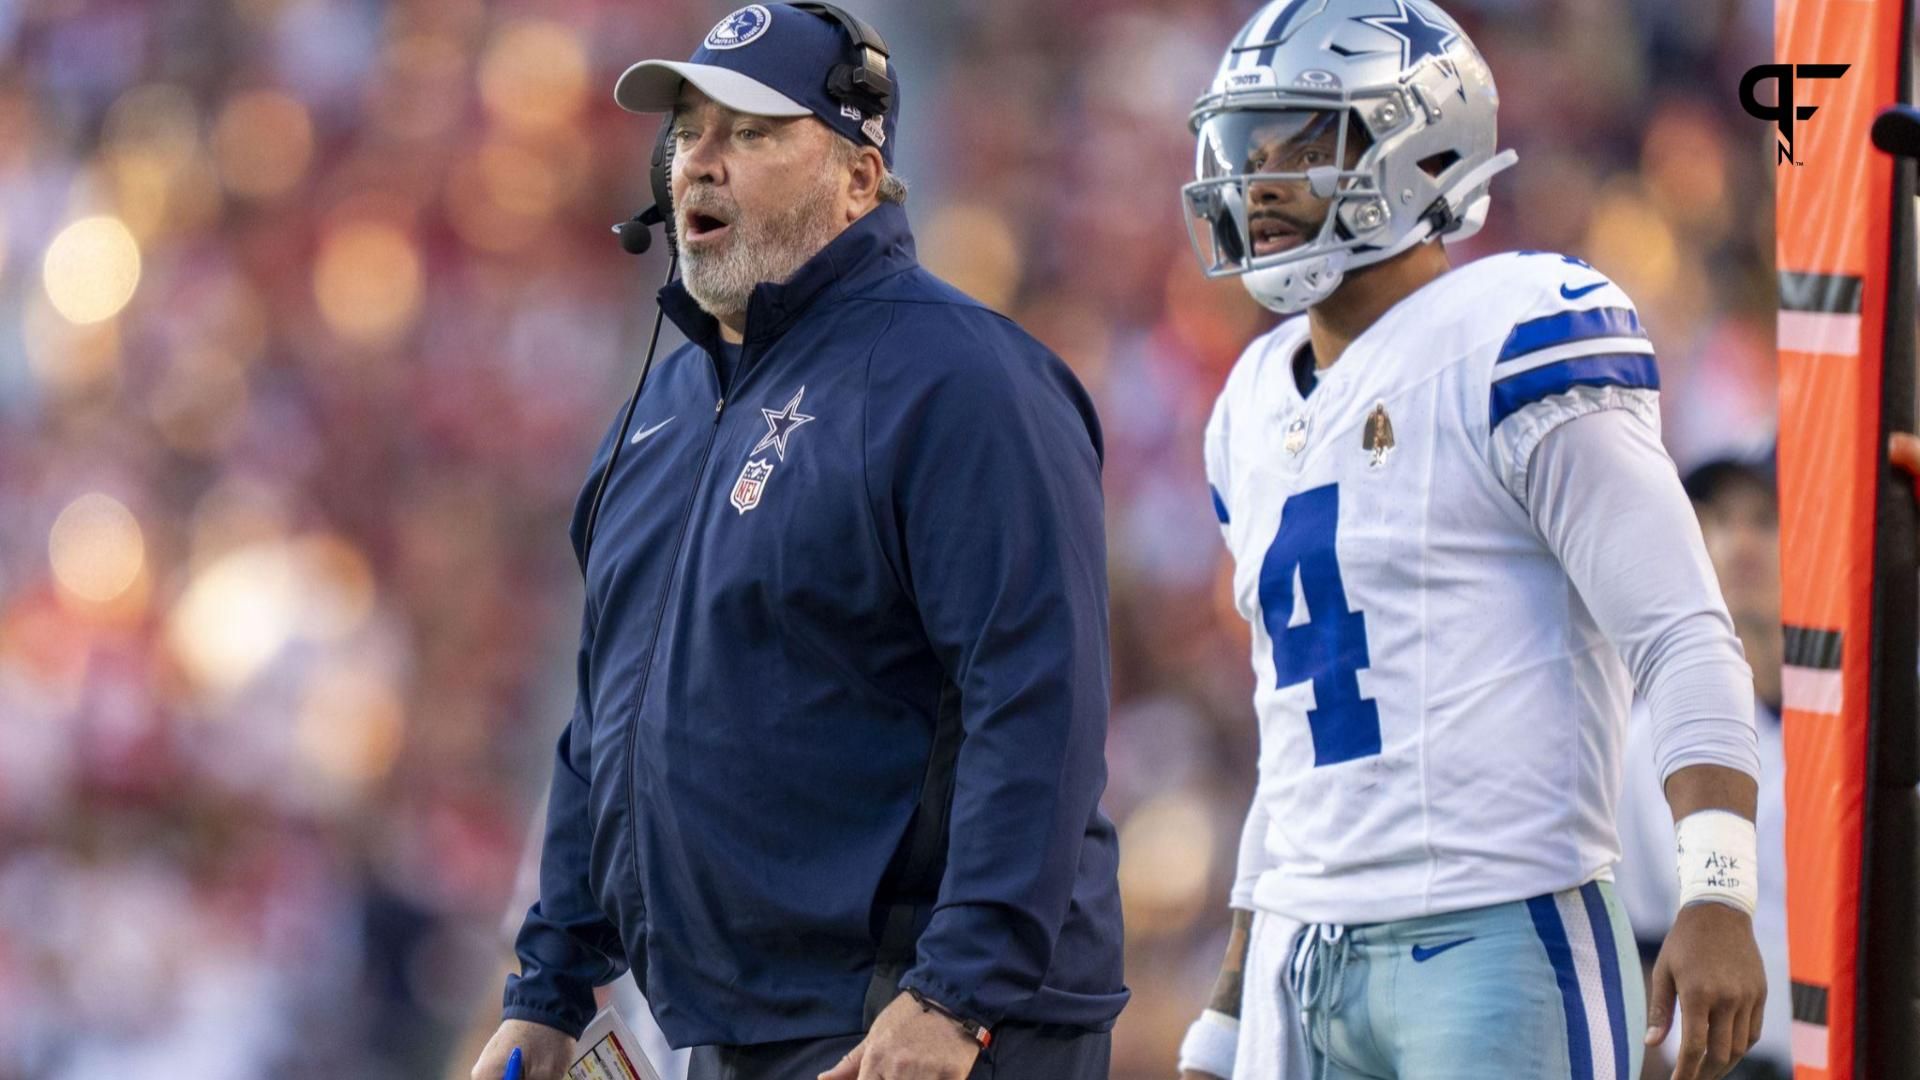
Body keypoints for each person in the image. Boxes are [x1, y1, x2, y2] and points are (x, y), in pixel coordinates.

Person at [467, 6, 1126, 1080]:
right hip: (738, 1025)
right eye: (688, 132)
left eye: (755, 132)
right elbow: (606, 722)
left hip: (920, 1023)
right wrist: (549, 987)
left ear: (861, 178)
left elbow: (1037, 702)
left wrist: (955, 998)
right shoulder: (661, 405)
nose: (701, 166)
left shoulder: (963, 380)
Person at [1170, 3, 1767, 1080]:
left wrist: (1716, 887)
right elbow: (1292, 735)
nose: (1257, 181)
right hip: (1303, 954)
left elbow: (1682, 631)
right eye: (1247, 144)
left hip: (1498, 929)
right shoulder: (1249, 403)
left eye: (1303, 142)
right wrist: (1227, 1000)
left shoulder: (1517, 335)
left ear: (1422, 149)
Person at [1614, 454, 1791, 1080]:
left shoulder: (1870, 723)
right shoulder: (1641, 739)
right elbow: (1639, 939)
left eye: (1765, 520)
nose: (1741, 543)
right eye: (1715, 520)